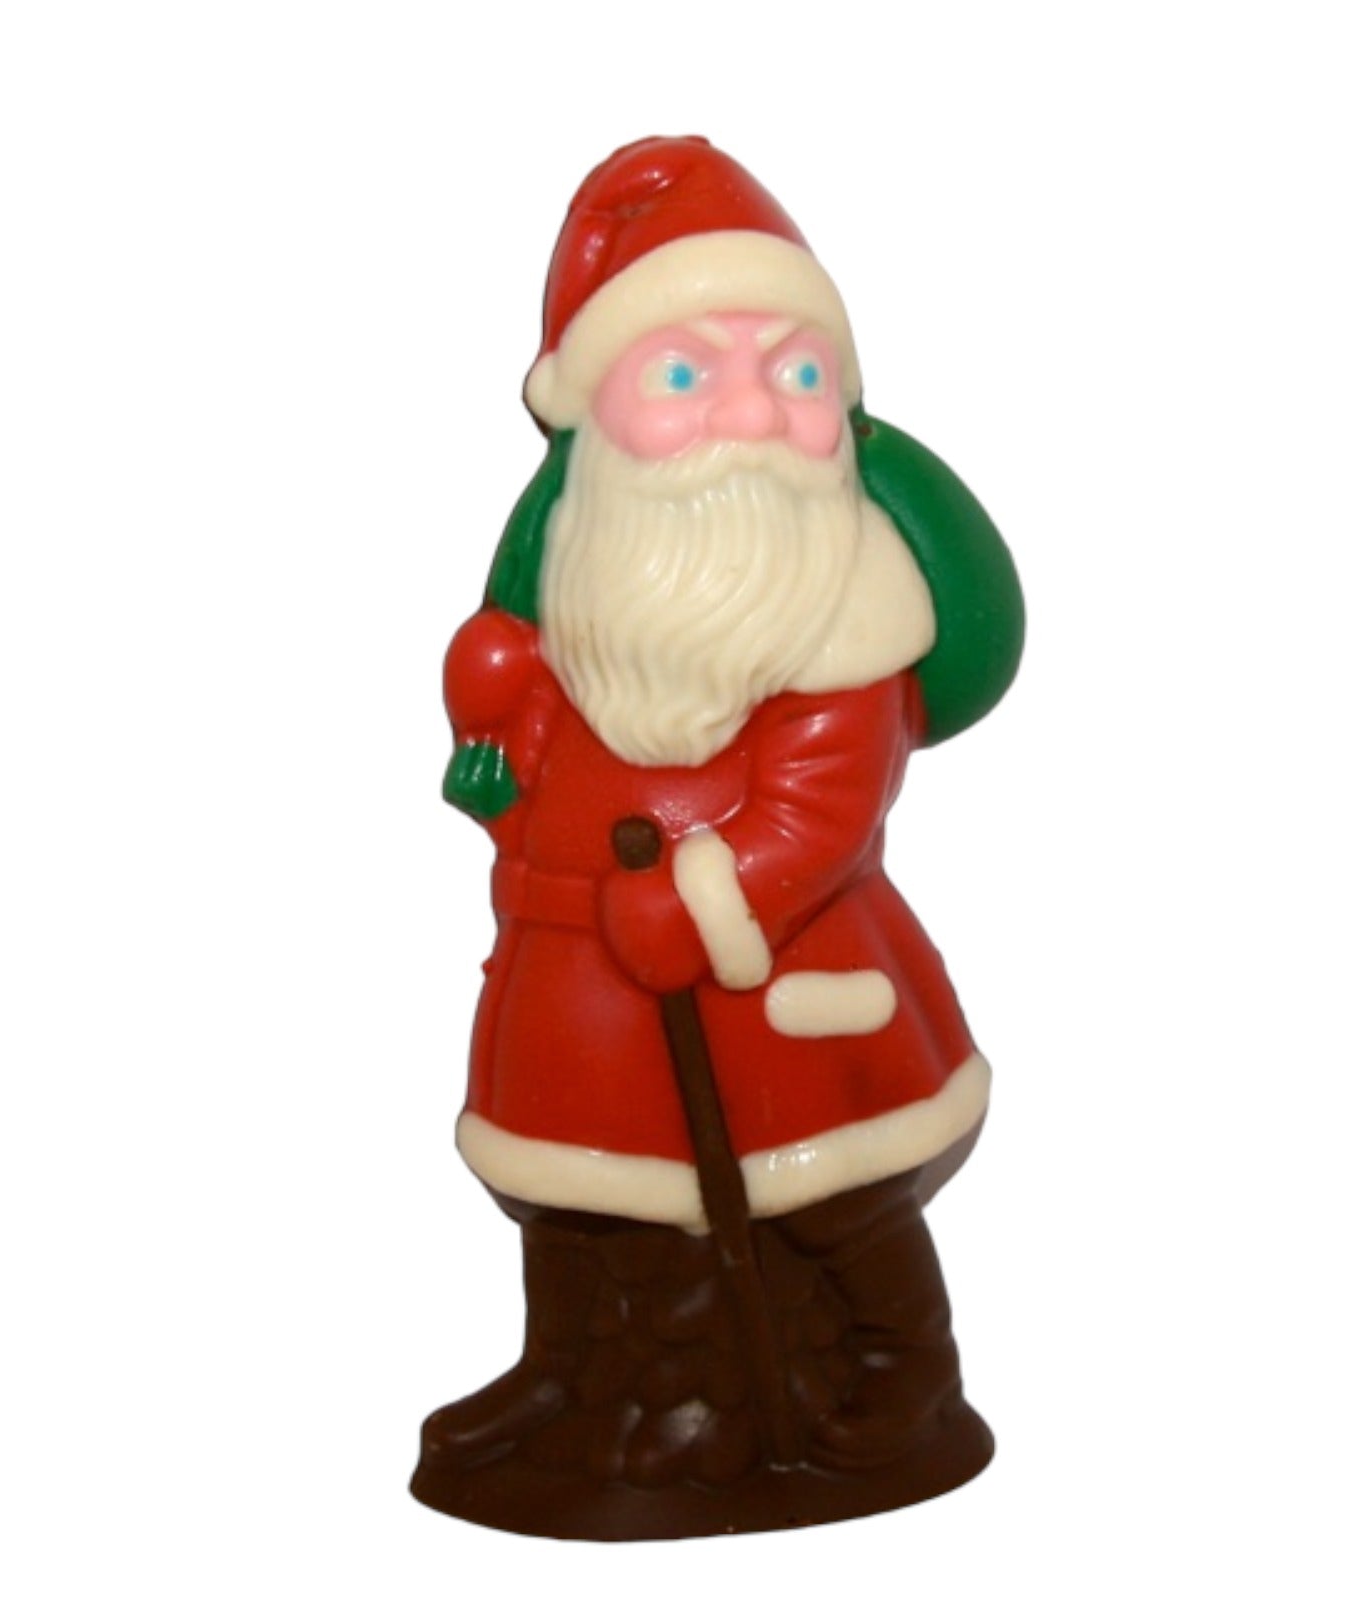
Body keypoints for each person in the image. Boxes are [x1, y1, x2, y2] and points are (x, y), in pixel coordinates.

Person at [412, 137, 1024, 1538]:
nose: (748, 413)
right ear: (598, 413)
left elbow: (822, 809)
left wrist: (707, 896)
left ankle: (875, 1382)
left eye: (792, 373)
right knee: (586, 1196)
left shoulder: (848, 603)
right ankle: (580, 1373)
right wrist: (498, 743)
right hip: (580, 976)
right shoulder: (592, 576)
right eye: (687, 376)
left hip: (771, 989)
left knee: (821, 1199)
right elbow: (539, 752)